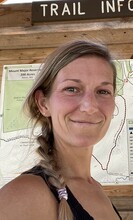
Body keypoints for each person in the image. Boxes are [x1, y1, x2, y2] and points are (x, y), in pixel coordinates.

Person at [0, 40, 122, 220]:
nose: (90, 106)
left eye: (103, 91)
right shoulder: (25, 195)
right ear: (43, 103)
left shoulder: (95, 188)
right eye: (71, 89)